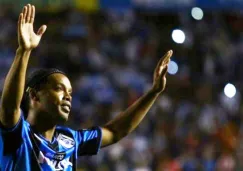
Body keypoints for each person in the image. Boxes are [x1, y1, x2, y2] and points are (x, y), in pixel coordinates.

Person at [0, 4, 173, 171]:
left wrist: (153, 92)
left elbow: (114, 132)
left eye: (70, 93)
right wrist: (24, 51)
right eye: (60, 89)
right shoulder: (18, 134)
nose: (68, 96)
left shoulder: (69, 140)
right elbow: (9, 108)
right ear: (35, 96)